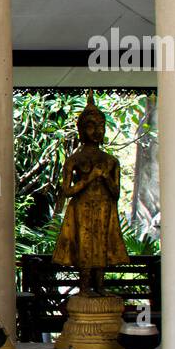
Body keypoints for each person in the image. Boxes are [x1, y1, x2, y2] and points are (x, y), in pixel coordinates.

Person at [52, 94, 131, 294]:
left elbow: (116, 193)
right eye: (91, 126)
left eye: (100, 127)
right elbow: (67, 191)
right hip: (82, 208)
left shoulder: (111, 161)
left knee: (102, 245)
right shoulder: (74, 160)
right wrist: (88, 179)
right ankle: (85, 286)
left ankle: (100, 285)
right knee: (84, 246)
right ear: (81, 130)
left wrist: (104, 177)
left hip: (105, 206)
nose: (96, 131)